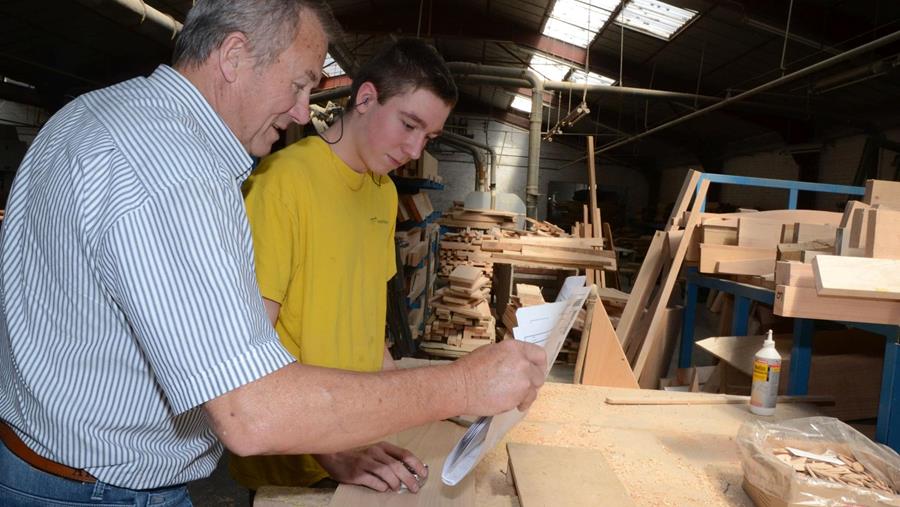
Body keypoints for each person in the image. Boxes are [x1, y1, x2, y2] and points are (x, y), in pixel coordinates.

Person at [0, 1, 547, 505]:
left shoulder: (96, 113)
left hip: (51, 461)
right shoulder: (174, 172)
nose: (305, 112)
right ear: (234, 55)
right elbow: (251, 412)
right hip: (99, 489)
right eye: (300, 83)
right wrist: (462, 385)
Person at [231, 39, 457, 494]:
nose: (415, 149)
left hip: (357, 435)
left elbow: (367, 324)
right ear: (366, 98)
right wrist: (327, 447)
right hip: (296, 460)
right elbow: (247, 352)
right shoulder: (281, 182)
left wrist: (415, 402)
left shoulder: (383, 192)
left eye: (429, 138)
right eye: (409, 125)